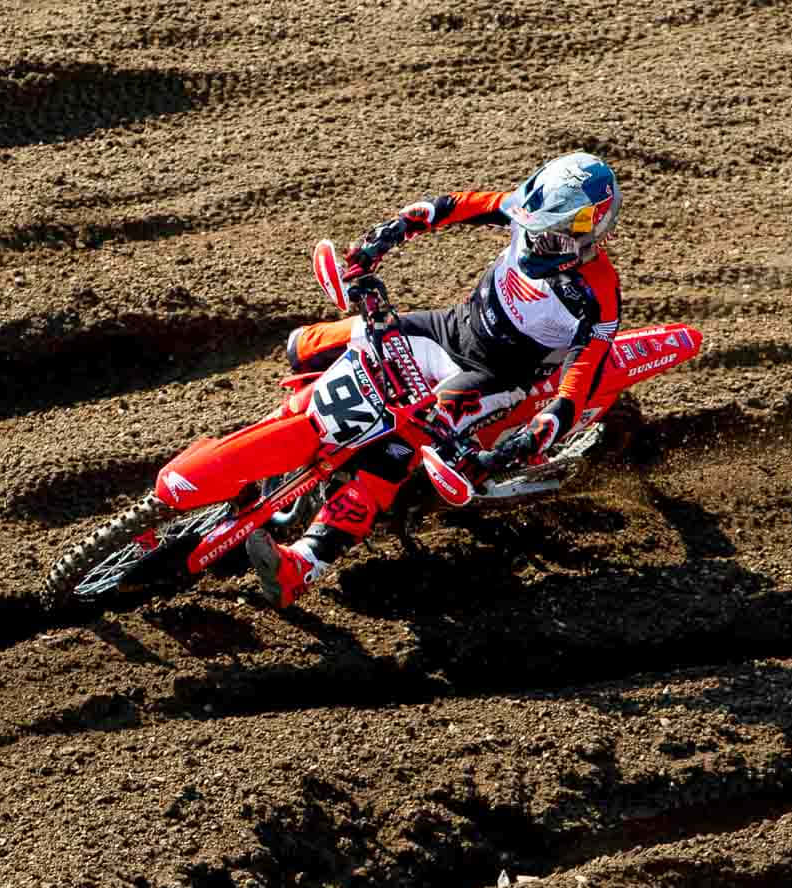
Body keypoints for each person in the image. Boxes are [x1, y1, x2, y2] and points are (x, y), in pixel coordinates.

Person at [247, 150, 623, 607]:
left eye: (553, 237)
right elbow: (448, 206)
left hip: (492, 378)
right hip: (447, 330)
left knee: (396, 449)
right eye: (535, 229)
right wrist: (382, 238)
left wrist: (537, 433)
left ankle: (301, 566)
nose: (537, 242)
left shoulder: (598, 294)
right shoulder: (526, 214)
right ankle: (264, 454)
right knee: (307, 347)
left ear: (590, 231)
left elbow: (577, 383)